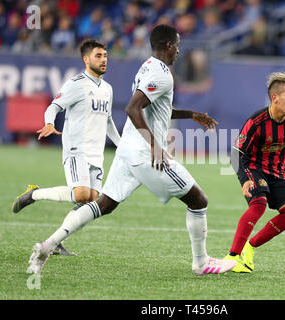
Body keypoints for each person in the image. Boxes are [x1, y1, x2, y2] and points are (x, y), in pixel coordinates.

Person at [26, 24, 236, 276]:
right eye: (177, 44)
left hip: (127, 150)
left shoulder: (147, 67)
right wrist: (155, 145)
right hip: (145, 154)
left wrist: (191, 115)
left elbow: (154, 107)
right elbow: (133, 109)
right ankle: (201, 263)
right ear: (168, 45)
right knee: (199, 201)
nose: (179, 50)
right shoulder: (162, 74)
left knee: (104, 204)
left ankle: (47, 245)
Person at [12, 39, 120, 255]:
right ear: (86, 59)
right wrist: (49, 123)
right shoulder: (76, 83)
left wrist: (121, 145)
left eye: (105, 56)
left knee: (92, 202)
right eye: (98, 56)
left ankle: (56, 242)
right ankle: (33, 194)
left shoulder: (107, 89)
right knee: (81, 194)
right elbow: (54, 105)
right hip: (76, 149)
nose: (103, 60)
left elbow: (108, 122)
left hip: (96, 154)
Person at [223, 72, 285, 273]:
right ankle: (232, 257)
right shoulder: (256, 122)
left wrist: (284, 169)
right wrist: (244, 180)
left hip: (276, 172)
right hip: (253, 168)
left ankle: (250, 247)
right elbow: (235, 154)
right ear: (275, 98)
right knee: (259, 204)